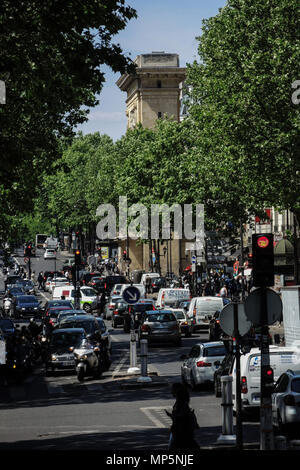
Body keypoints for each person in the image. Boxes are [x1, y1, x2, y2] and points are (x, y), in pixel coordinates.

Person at [166, 383, 199, 451]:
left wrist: (172, 416)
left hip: (181, 433)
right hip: (181, 432)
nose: (171, 391)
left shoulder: (181, 404)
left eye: (172, 390)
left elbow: (181, 417)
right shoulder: (181, 403)